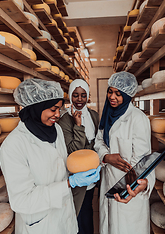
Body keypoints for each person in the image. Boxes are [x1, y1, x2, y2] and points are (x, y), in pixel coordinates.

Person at [0, 78, 101, 234]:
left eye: (59, 109)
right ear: (37, 107)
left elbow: (60, 166)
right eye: (53, 109)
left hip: (65, 218)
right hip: (41, 225)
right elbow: (21, 201)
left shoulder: (56, 131)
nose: (58, 115)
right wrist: (69, 183)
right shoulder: (13, 146)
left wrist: (80, 170)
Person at [94, 71, 155, 234]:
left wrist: (143, 184)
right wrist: (106, 157)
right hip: (108, 180)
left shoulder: (138, 119)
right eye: (110, 91)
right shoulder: (107, 114)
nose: (112, 97)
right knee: (109, 225)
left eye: (118, 94)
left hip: (129, 185)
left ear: (128, 96)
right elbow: (98, 141)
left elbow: (144, 159)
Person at [58, 79, 100, 234]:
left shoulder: (94, 116)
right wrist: (78, 125)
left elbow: (98, 143)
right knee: (79, 214)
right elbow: (73, 150)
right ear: (70, 96)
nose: (80, 99)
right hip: (76, 177)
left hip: (93, 174)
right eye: (75, 95)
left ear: (87, 96)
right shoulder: (65, 120)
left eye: (83, 95)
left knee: (88, 209)